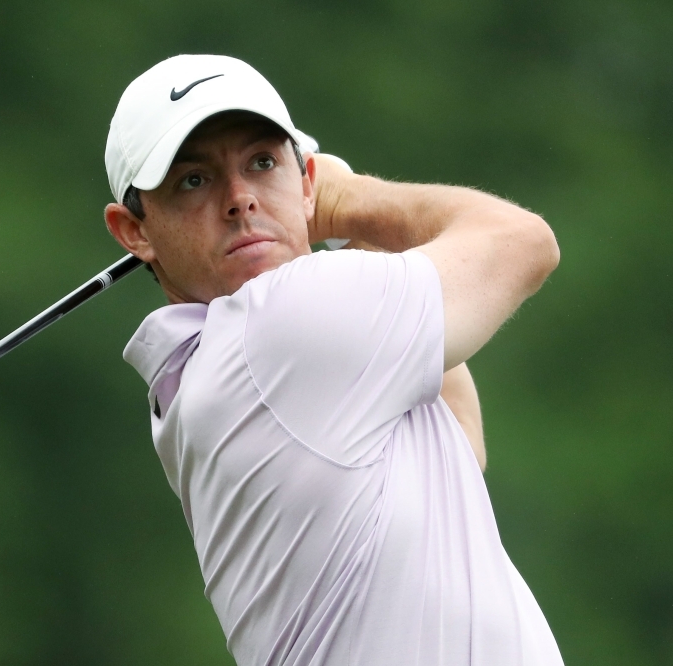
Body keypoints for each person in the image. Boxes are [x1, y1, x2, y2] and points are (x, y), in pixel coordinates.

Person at [103, 54, 562, 666]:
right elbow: (524, 243)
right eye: (194, 179)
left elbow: (460, 444)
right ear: (134, 231)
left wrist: (345, 226)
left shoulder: (204, 374)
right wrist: (345, 200)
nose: (240, 199)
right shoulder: (277, 324)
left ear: (302, 178)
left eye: (262, 163)